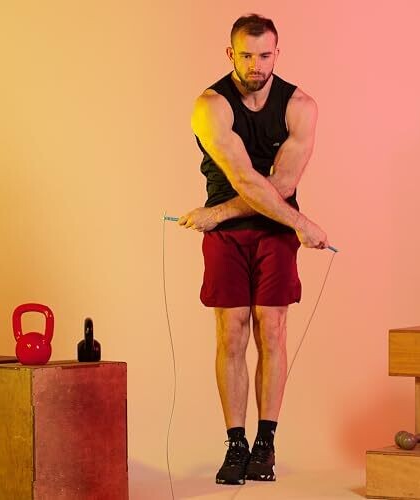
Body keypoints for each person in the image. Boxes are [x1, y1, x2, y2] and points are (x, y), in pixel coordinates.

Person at [178, 13, 330, 485]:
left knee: (273, 328)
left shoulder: (300, 106)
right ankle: (236, 444)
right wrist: (302, 223)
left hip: (274, 229)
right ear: (231, 54)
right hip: (234, 235)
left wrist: (219, 213)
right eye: (246, 55)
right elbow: (245, 178)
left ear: (277, 54)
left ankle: (265, 443)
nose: (256, 65)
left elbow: (281, 185)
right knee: (231, 333)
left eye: (265, 55)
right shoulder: (211, 106)